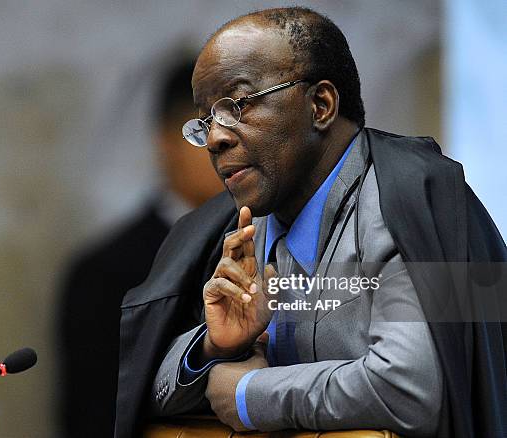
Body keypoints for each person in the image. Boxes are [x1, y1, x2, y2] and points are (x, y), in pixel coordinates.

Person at [115, 7, 507, 438]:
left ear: (321, 105)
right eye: (206, 119)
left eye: (237, 105)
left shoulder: (425, 206)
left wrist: (248, 395)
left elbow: (412, 391)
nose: (214, 138)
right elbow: (141, 386)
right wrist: (214, 345)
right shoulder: (218, 231)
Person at [57, 57, 223, 437]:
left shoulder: (285, 249)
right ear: (166, 142)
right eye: (207, 129)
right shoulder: (104, 274)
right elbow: (94, 418)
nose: (228, 144)